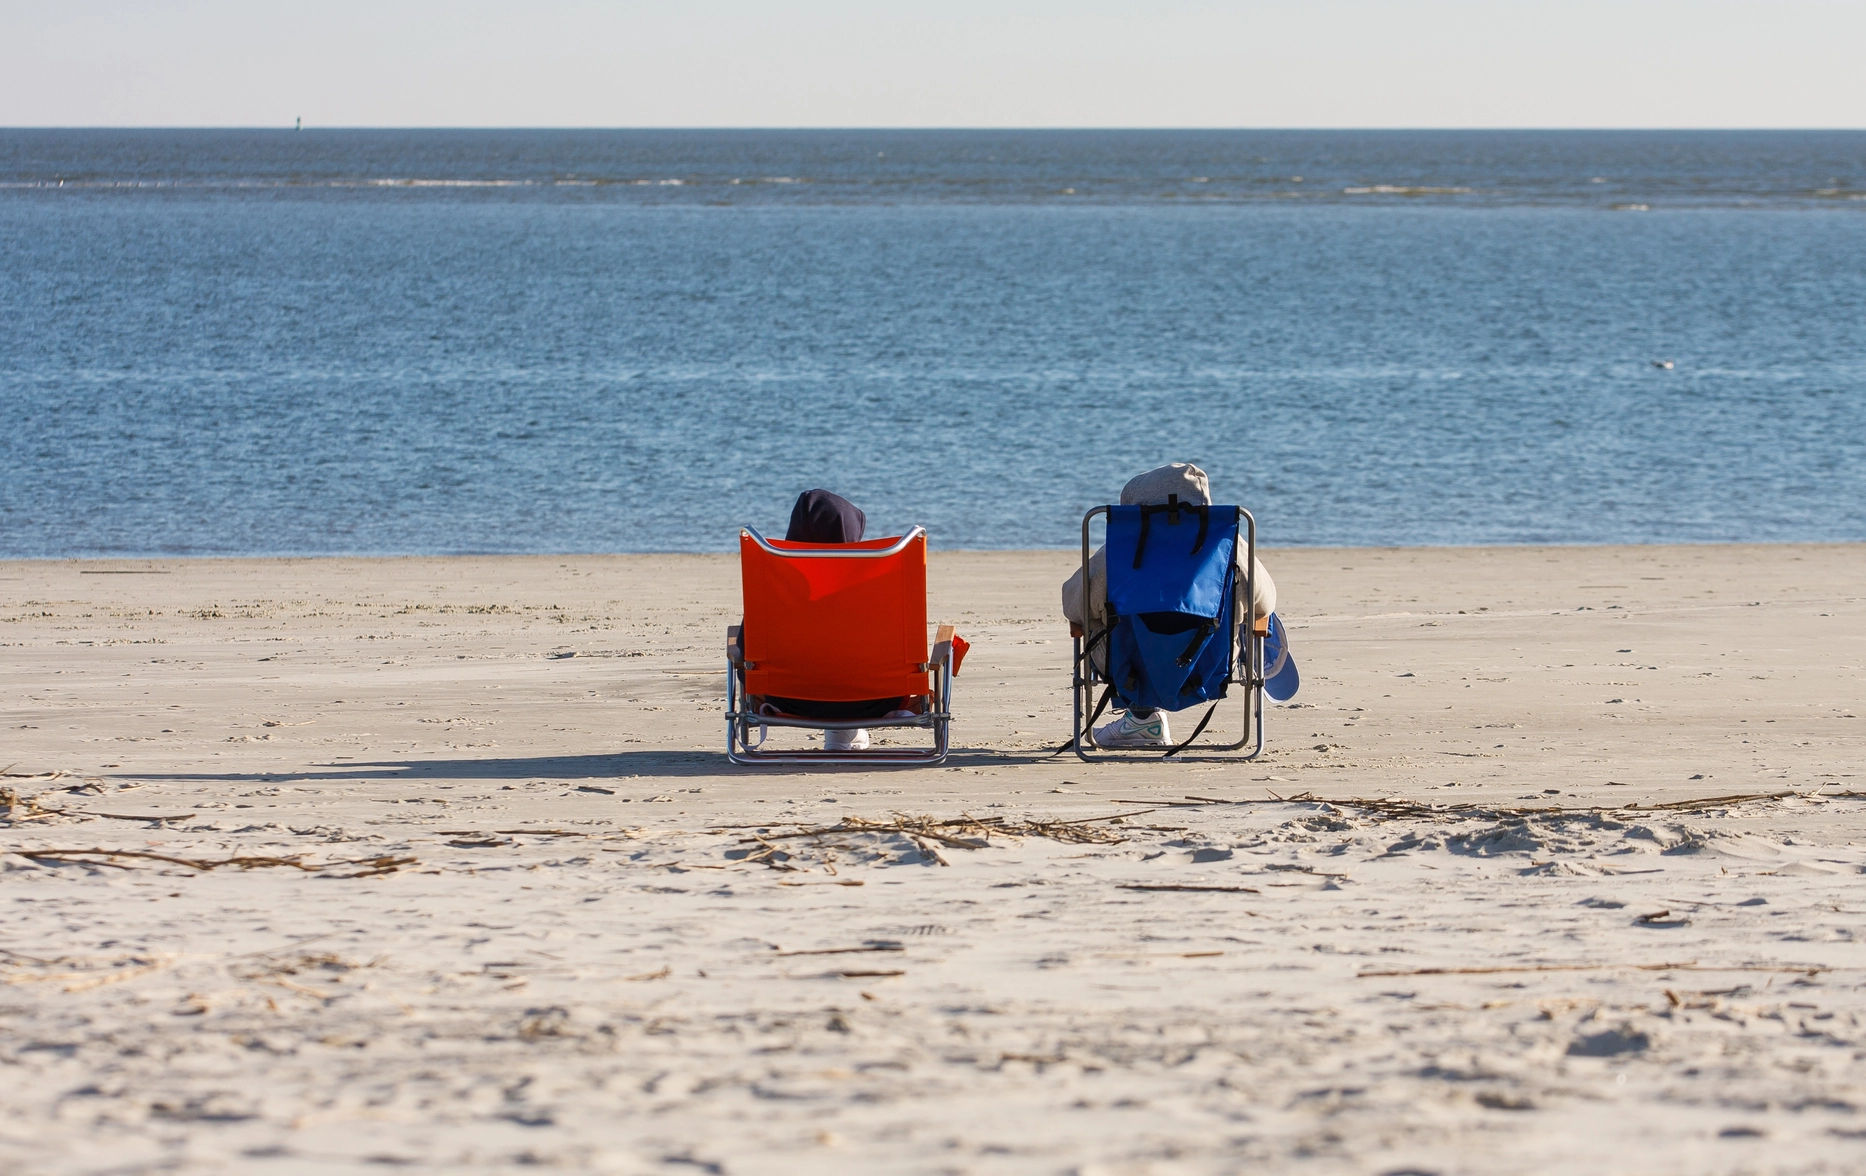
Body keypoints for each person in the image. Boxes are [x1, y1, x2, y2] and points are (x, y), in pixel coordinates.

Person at [1061, 463, 1277, 748]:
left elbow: (1075, 607)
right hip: (1208, 667)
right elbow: (1266, 603)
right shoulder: (1228, 546)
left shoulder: (1118, 552)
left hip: (1130, 671)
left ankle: (1141, 719)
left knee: (1101, 621)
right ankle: (1143, 722)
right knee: (1252, 608)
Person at [758, 489, 909, 751]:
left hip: (789, 699)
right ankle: (845, 729)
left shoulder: (776, 592)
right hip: (874, 700)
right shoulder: (874, 592)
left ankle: (843, 731)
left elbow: (748, 648)